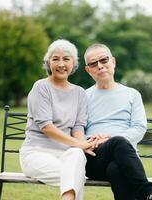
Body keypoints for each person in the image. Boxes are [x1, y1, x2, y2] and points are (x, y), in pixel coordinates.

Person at [84, 43, 152, 200]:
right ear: (88, 70)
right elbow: (77, 129)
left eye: (104, 60)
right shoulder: (83, 97)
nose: (100, 66)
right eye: (93, 63)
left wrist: (110, 138)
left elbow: (139, 127)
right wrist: (93, 142)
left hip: (124, 161)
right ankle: (150, 193)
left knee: (116, 169)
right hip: (94, 158)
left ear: (113, 62)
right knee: (118, 142)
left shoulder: (132, 95)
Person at [19, 39, 95, 200]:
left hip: (66, 155)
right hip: (36, 153)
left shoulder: (80, 93)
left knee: (76, 156)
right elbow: (46, 127)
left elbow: (78, 128)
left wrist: (82, 145)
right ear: (48, 63)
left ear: (73, 63)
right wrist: (79, 143)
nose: (61, 64)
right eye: (56, 59)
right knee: (75, 174)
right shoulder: (41, 87)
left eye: (66, 59)